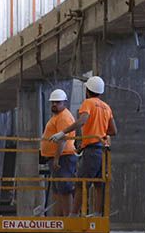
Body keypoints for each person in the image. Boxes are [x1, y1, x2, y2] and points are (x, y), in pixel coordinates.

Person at [48, 75, 116, 216]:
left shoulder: (88, 103)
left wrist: (62, 133)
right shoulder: (106, 107)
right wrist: (100, 132)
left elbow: (82, 121)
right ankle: (97, 213)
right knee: (98, 183)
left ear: (87, 90)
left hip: (92, 149)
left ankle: (73, 215)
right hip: (101, 149)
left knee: (80, 183)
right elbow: (113, 130)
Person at [40, 89, 77, 217]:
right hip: (58, 157)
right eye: (53, 102)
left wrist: (56, 159)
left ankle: (68, 219)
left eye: (57, 102)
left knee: (65, 189)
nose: (54, 104)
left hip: (63, 158)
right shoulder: (58, 117)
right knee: (58, 190)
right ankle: (59, 219)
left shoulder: (64, 117)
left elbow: (62, 139)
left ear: (64, 103)